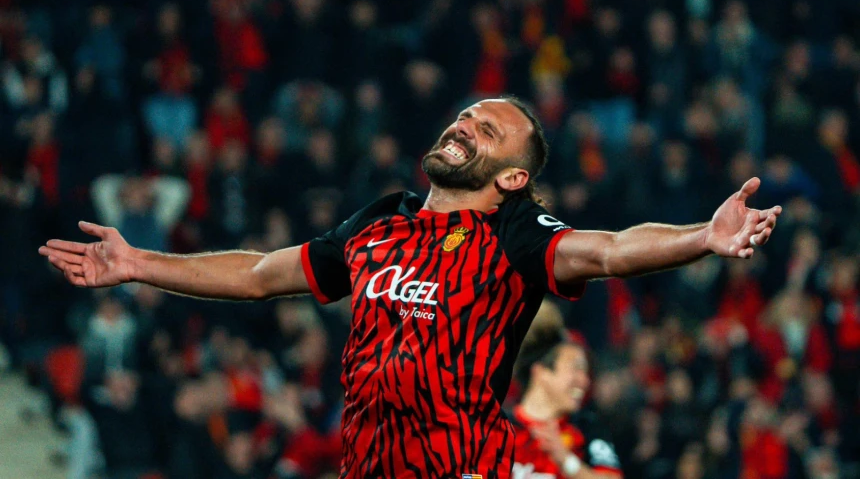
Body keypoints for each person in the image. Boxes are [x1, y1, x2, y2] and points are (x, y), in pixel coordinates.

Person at [39, 97, 781, 478]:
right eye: (466, 116)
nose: (465, 125)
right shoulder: (380, 222)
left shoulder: (516, 232)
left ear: (512, 177)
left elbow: (611, 251)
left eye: (488, 130)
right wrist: (140, 263)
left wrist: (703, 237)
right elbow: (263, 274)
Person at [511, 309, 622, 479]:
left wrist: (567, 461)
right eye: (576, 368)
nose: (585, 381)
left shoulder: (586, 428)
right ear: (541, 372)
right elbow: (469, 474)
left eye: (586, 372)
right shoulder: (498, 426)